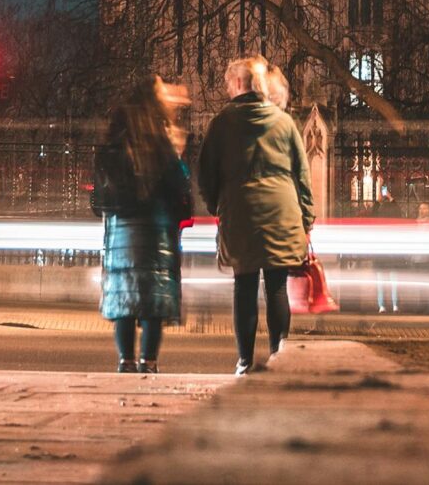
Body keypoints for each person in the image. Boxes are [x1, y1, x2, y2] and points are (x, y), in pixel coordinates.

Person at [194, 55, 313, 375]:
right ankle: (279, 355)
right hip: (282, 213)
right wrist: (306, 219)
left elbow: (205, 175)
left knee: (244, 286)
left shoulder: (221, 123)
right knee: (276, 288)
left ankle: (245, 360)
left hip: (240, 213)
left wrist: (218, 206)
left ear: (237, 83)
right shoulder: (284, 122)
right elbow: (302, 174)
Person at [91, 77, 197, 373]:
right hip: (156, 232)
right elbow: (180, 187)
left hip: (121, 231)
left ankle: (125, 360)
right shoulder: (162, 143)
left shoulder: (113, 143)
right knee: (153, 302)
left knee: (124, 298)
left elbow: (99, 197)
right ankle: (148, 361)